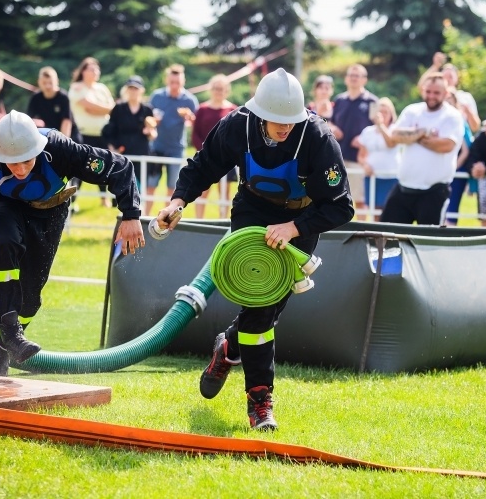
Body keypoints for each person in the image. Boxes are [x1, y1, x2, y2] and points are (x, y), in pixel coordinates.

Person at [154, 68, 354, 431]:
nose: (284, 127)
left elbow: (342, 206)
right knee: (259, 309)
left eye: (290, 121)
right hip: (252, 211)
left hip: (301, 219)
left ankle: (228, 347)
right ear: (260, 112)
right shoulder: (236, 126)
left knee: (270, 309)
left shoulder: (319, 138)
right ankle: (260, 403)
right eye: (277, 120)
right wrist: (178, 202)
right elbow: (203, 166)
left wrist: (294, 228)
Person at [0, 110, 145, 377]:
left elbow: (118, 166)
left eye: (26, 160)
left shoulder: (59, 148)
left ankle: (4, 346)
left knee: (32, 294)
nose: (21, 169)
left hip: (52, 212)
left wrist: (131, 214)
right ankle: (11, 329)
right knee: (6, 242)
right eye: (13, 164)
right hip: (9, 207)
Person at [379, 72, 464, 226]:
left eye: (436, 93)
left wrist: (413, 136)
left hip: (433, 192)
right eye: (428, 91)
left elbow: (446, 145)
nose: (431, 96)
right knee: (385, 237)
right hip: (404, 188)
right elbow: (395, 136)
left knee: (429, 243)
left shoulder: (452, 116)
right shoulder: (412, 110)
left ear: (445, 94)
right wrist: (425, 133)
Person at [146, 64, 198, 215]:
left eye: (178, 83)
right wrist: (153, 121)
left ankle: (166, 216)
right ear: (167, 80)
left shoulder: (189, 100)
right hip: (156, 147)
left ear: (183, 82)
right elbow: (147, 118)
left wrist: (189, 117)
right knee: (151, 184)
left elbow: (196, 123)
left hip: (176, 148)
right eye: (172, 82)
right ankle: (144, 216)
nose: (175, 86)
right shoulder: (157, 96)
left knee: (172, 186)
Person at [329, 64, 377, 217]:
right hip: (338, 157)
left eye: (357, 76)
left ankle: (361, 231)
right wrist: (333, 128)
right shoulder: (339, 100)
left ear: (364, 79)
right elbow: (329, 121)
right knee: (336, 197)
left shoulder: (373, 102)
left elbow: (379, 127)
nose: (353, 78)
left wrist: (364, 138)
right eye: (351, 75)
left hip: (359, 158)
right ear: (346, 79)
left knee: (360, 199)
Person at [69, 57, 116, 208]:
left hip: (102, 135)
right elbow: (87, 105)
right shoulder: (76, 87)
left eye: (97, 69)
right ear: (83, 71)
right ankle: (72, 201)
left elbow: (112, 108)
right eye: (91, 69)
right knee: (79, 169)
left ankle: (104, 198)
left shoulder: (102, 88)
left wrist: (96, 109)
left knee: (102, 166)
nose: (95, 72)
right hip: (82, 135)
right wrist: (103, 109)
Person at [190, 74, 237, 218]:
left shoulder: (233, 110)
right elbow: (195, 134)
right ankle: (199, 221)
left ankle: (222, 221)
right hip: (205, 158)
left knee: (225, 193)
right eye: (216, 88)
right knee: (202, 191)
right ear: (211, 89)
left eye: (222, 89)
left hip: (225, 159)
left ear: (227, 91)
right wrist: (205, 151)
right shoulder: (202, 109)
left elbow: (236, 136)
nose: (219, 91)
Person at [102, 75, 156, 191]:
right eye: (130, 88)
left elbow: (153, 134)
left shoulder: (147, 109)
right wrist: (113, 150)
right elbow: (109, 131)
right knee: (121, 186)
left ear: (142, 90)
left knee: (139, 186)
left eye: (136, 88)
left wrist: (150, 131)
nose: (133, 91)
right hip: (123, 153)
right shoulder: (119, 109)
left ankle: (138, 208)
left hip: (142, 153)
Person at [355, 97, 398, 214]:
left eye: (385, 112)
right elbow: (361, 155)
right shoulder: (367, 131)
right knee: (375, 211)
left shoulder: (395, 129)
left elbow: (391, 144)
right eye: (380, 111)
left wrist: (381, 126)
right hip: (372, 177)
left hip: (390, 176)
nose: (382, 115)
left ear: (391, 114)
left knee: (390, 211)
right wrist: (365, 165)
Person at [443, 87, 475, 226]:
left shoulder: (459, 122)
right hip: (444, 170)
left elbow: (465, 150)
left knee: (451, 208)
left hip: (456, 170)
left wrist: (452, 167)